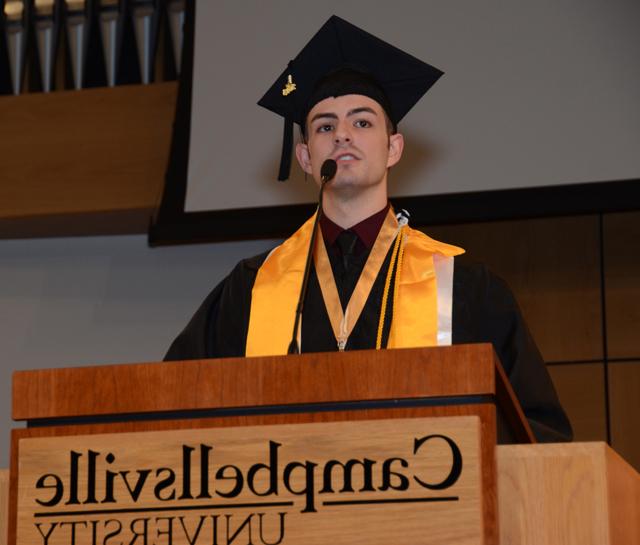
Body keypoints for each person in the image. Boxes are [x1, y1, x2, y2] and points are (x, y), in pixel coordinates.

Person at [165, 15, 572, 443]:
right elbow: (172, 405)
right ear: (305, 157)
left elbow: (537, 433)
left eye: (361, 122)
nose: (342, 135)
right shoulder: (251, 288)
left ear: (393, 148)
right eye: (325, 126)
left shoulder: (464, 287)